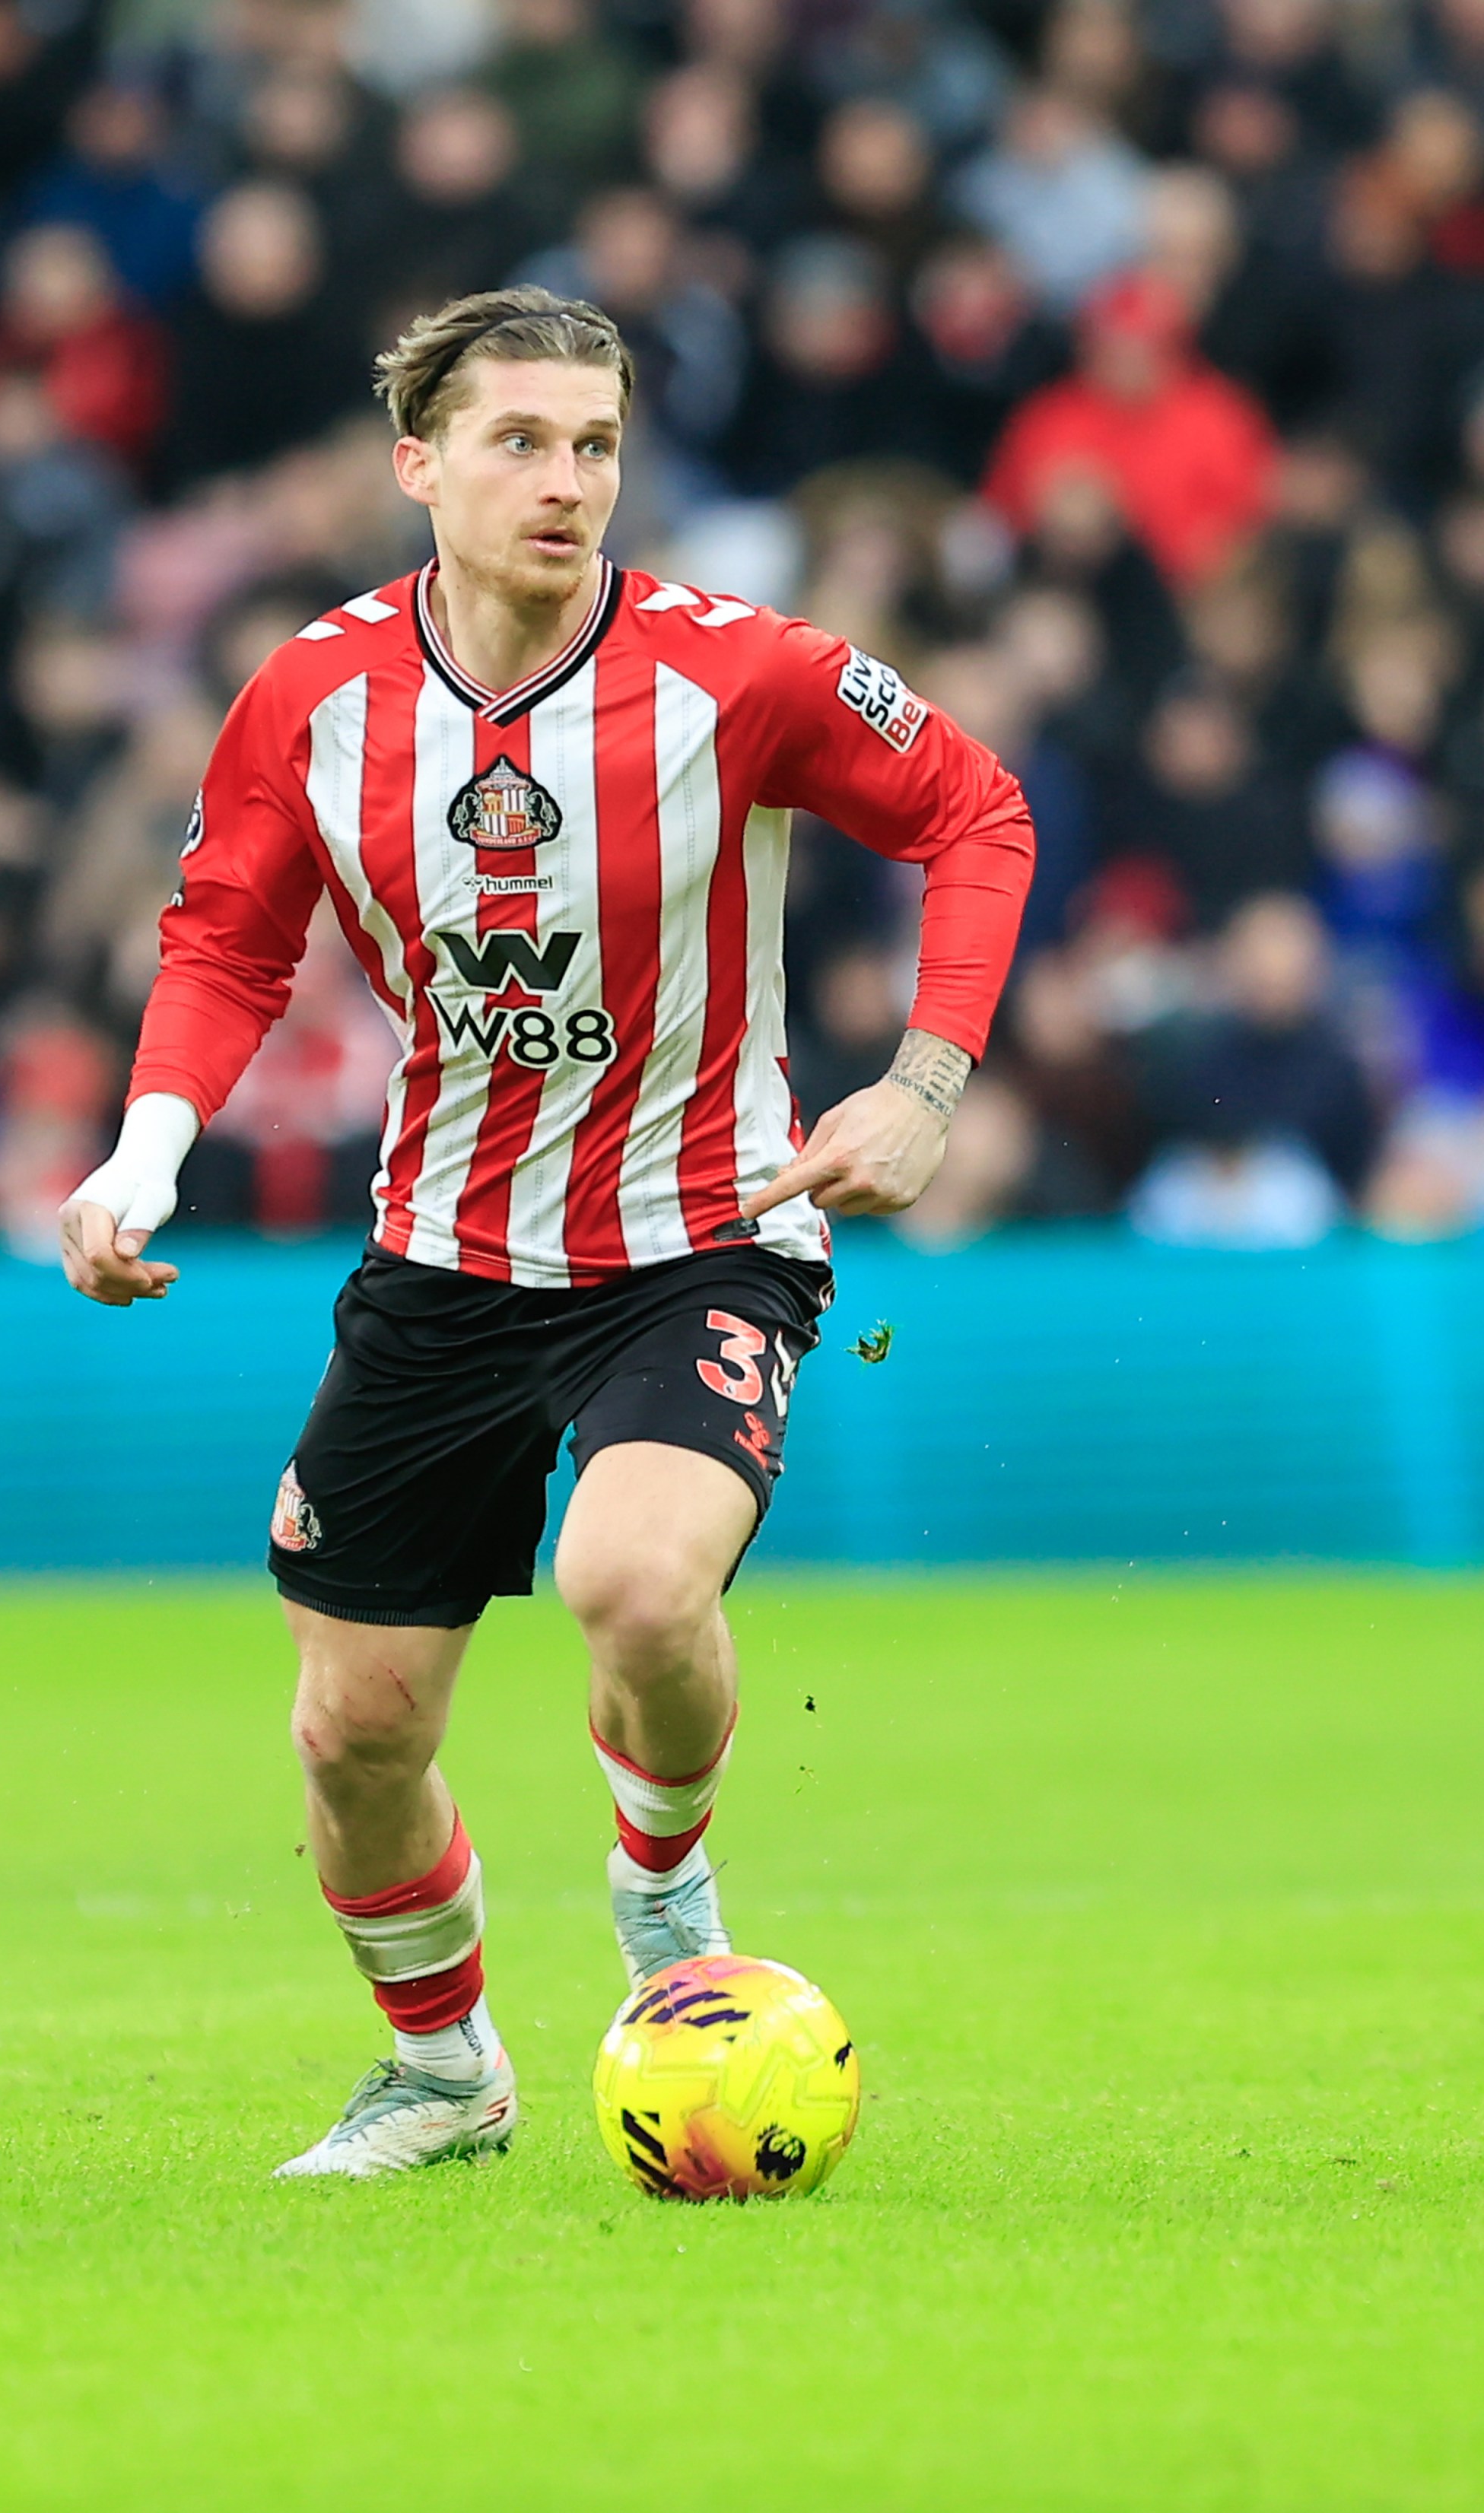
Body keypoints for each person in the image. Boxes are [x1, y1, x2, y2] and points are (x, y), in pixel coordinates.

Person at [56, 287, 1035, 2178]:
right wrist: (148, 1146)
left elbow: (975, 810)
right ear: (416, 462)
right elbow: (227, 936)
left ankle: (664, 1886)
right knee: (350, 1735)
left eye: (596, 443)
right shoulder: (311, 698)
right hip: (439, 1260)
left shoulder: (737, 671)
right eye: (520, 441)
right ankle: (445, 2075)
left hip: (701, 1232)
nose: (568, 480)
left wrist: (924, 1080)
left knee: (636, 1580)